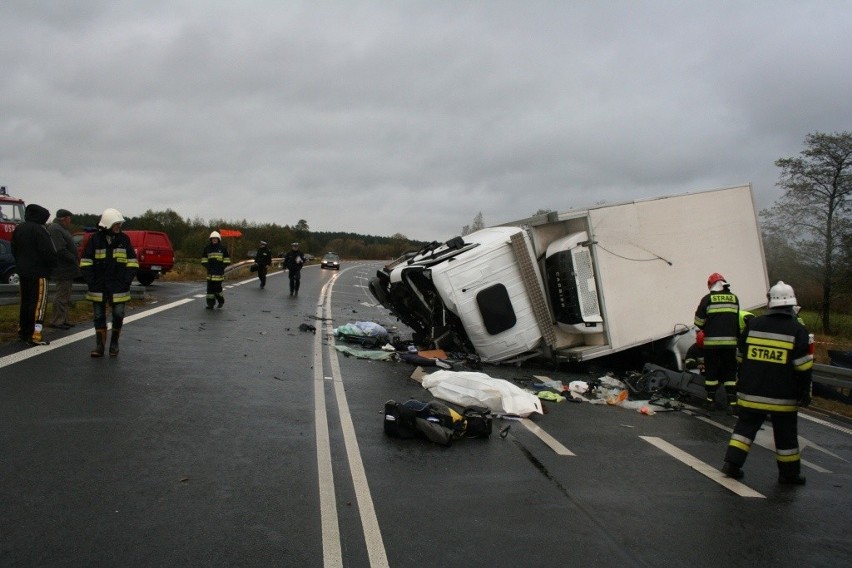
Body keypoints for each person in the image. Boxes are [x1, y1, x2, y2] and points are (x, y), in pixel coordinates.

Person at [721, 281, 813, 485]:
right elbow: (803, 367)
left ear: (770, 302)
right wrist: (804, 392)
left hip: (751, 391)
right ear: (791, 304)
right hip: (783, 396)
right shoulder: (797, 330)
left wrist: (742, 380)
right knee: (786, 436)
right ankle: (789, 475)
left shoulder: (753, 325)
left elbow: (740, 357)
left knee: (744, 429)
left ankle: (731, 464)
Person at [79, 208, 138, 357]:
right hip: (98, 286)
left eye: (119, 224)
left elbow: (132, 263)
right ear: (107, 224)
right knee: (99, 316)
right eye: (116, 224)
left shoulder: (124, 240)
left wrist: (126, 281)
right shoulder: (95, 240)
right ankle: (100, 346)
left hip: (119, 286)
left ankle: (114, 343)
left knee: (118, 314)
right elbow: (86, 263)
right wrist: (91, 282)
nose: (119, 226)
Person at [10, 203, 57, 346]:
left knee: (25, 303)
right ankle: (35, 334)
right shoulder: (40, 230)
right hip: (39, 273)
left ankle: (23, 332)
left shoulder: (19, 229)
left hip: (23, 271)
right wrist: (51, 267)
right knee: (38, 305)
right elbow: (49, 252)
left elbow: (14, 249)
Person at [694, 272, 739, 413]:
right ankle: (732, 403)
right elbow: (735, 318)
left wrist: (706, 326)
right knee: (730, 373)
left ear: (711, 285)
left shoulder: (707, 299)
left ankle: (710, 402)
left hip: (712, 344)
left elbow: (698, 322)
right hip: (731, 344)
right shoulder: (734, 298)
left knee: (711, 372)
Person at [47, 209, 80, 329]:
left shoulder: (61, 229)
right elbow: (60, 249)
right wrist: (73, 257)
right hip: (62, 268)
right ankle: (57, 320)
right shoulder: (55, 229)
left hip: (67, 268)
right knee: (61, 295)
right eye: (69, 218)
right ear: (64, 218)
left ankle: (63, 319)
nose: (70, 221)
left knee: (65, 295)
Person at [202, 231, 230, 308]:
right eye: (213, 239)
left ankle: (221, 300)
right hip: (210, 272)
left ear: (218, 239)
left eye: (215, 239)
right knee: (210, 289)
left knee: (217, 288)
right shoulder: (207, 248)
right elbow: (203, 260)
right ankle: (210, 304)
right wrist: (208, 266)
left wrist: (222, 267)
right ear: (210, 239)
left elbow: (227, 260)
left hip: (219, 272)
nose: (214, 240)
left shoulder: (222, 249)